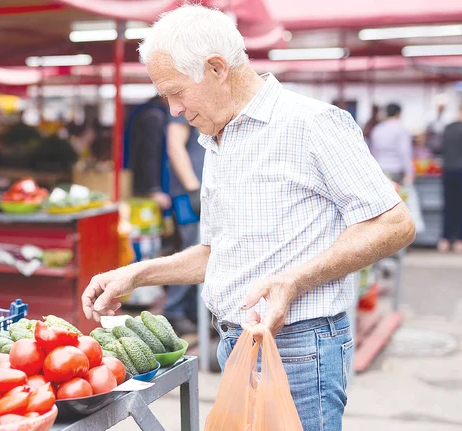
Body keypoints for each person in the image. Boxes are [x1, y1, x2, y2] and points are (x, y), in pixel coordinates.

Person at [80, 5, 415, 431]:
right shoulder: (218, 139)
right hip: (235, 344)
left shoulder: (312, 124)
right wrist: (137, 274)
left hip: (298, 348)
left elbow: (395, 224)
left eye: (176, 92)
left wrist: (295, 279)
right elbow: (218, 253)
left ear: (217, 68)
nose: (175, 110)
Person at [162, 113, 204, 334]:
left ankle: (192, 311)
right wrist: (193, 188)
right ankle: (173, 311)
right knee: (193, 251)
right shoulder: (184, 109)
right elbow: (174, 146)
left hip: (198, 193)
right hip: (189, 197)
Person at [126, 94, 171, 211]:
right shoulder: (153, 116)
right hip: (144, 187)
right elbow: (149, 154)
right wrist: (152, 190)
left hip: (136, 182)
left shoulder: (146, 110)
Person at [370, 103, 414, 185]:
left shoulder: (377, 129)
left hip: (380, 168)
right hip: (396, 170)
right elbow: (404, 151)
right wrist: (410, 172)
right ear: (398, 113)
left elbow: (373, 151)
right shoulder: (401, 130)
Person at [438, 106, 462, 253]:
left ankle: (445, 239)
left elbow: (439, 148)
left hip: (448, 171)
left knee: (448, 206)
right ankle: (459, 240)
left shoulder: (448, 128)